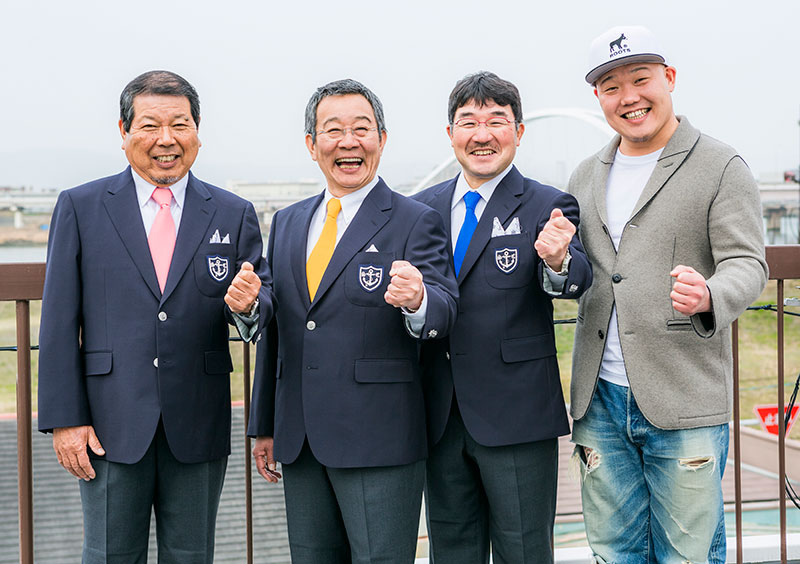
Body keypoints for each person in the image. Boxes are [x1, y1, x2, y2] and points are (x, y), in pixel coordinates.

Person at [37, 70, 270, 563]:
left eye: (180, 124)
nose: (166, 139)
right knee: (108, 554)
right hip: (108, 423)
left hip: (199, 421)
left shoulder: (232, 212)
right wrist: (65, 419)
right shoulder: (81, 206)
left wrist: (250, 305)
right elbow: (57, 321)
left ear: (197, 131)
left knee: (193, 555)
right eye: (149, 125)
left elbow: (260, 301)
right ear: (124, 132)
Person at [569, 26, 768, 564]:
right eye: (612, 87)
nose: (629, 97)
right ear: (598, 97)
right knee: (614, 552)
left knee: (689, 555)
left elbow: (748, 263)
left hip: (684, 395)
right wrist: (557, 262)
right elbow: (581, 272)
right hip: (599, 400)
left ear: (669, 78)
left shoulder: (719, 165)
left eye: (641, 79)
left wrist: (710, 294)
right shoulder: (585, 175)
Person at [247, 78, 458, 564]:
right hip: (300, 439)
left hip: (379, 440)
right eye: (333, 130)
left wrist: (418, 299)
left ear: (381, 139)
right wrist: (265, 424)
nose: (348, 142)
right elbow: (279, 332)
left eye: (361, 129)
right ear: (311, 144)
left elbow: (445, 309)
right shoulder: (288, 222)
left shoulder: (414, 219)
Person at [413, 71, 592, 564]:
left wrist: (557, 259)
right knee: (451, 550)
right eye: (469, 122)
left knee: (524, 550)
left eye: (496, 120)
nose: (482, 134)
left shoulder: (547, 203)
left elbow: (577, 277)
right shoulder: (420, 209)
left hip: (517, 415)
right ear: (450, 133)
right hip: (438, 413)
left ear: (519, 131)